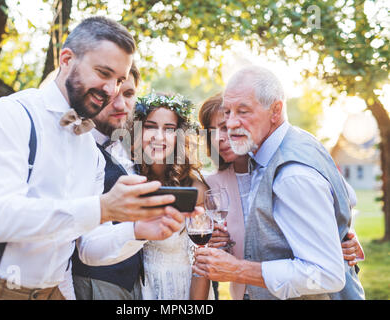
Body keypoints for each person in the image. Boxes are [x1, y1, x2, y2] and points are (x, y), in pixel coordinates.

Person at [0, 17, 188, 300]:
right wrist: (103, 207)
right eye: (103, 73)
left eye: (119, 80)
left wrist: (137, 230)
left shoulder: (89, 151)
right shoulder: (9, 114)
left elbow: (87, 248)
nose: (111, 90)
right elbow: (0, 219)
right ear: (66, 59)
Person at [194, 68, 366, 300]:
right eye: (227, 112)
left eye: (243, 112)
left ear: (275, 110)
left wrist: (237, 269)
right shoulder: (285, 147)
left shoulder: (292, 174)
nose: (232, 123)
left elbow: (327, 273)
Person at [70, 63, 145, 300]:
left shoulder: (131, 147)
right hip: (93, 282)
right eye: (111, 95)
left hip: (135, 283)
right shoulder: (75, 146)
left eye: (129, 94)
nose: (120, 104)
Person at [131, 92, 212, 300]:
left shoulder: (196, 189)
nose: (159, 136)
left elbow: (201, 263)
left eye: (169, 129)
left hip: (183, 291)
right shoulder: (130, 178)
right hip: (140, 292)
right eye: (150, 126)